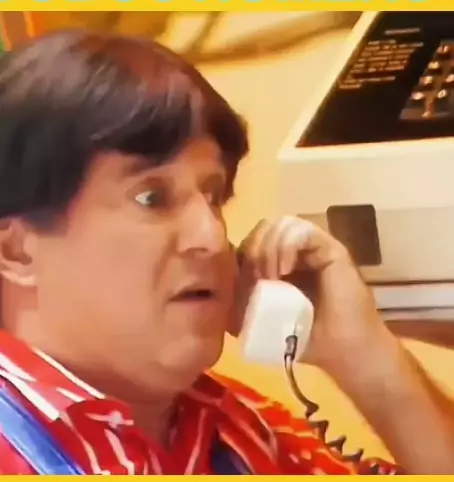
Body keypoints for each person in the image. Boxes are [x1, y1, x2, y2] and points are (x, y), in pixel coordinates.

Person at [0, 30, 452, 475]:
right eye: (152, 198)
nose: (213, 237)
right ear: (16, 252)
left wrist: (365, 357)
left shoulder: (238, 428)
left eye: (213, 196)